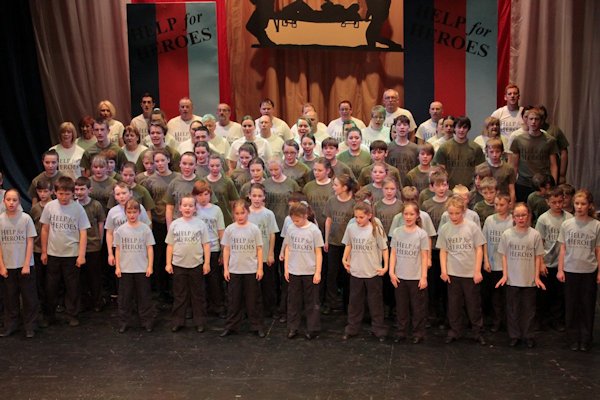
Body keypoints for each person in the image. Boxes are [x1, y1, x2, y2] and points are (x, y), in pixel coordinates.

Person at [40, 176, 90, 327]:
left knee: (72, 286)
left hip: (71, 254)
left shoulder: (78, 209)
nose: (63, 197)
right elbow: (45, 229)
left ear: (73, 193)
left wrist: (81, 255)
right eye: (61, 193)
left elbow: (83, 232)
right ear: (55, 192)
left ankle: (72, 314)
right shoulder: (50, 207)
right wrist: (44, 251)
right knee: (51, 286)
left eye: (67, 194)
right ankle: (49, 315)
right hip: (53, 253)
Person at [437, 196, 487, 345]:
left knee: (473, 305)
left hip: (470, 273)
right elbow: (443, 251)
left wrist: (477, 271)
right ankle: (455, 331)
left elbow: (479, 248)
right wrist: (444, 271)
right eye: (451, 213)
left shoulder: (472, 227)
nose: (454, 216)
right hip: (453, 273)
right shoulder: (445, 228)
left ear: (463, 212)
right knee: (454, 305)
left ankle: (477, 332)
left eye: (457, 213)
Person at [496, 203, 546, 348]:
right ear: (513, 217)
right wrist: (505, 275)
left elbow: (538, 257)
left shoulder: (535, 234)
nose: (521, 218)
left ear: (528, 216)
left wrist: (536, 277)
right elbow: (504, 256)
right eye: (517, 216)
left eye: (523, 215)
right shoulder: (507, 234)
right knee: (513, 309)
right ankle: (514, 335)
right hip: (512, 279)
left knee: (529, 310)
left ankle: (528, 335)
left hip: (529, 279)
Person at [557, 189, 600, 352]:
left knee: (587, 306)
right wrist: (560, 270)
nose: (580, 207)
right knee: (571, 306)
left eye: (583, 204)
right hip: (570, 270)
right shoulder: (567, 224)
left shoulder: (596, 225)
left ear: (589, 205)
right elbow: (563, 249)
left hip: (588, 271)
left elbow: (598, 250)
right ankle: (573, 338)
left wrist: (599, 272)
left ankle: (586, 339)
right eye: (577, 203)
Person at [341, 201, 389, 341]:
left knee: (375, 302)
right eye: (356, 217)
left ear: (369, 215)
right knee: (354, 302)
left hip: (372, 272)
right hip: (356, 271)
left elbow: (384, 248)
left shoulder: (376, 229)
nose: (358, 220)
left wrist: (385, 266)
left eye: (361, 217)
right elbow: (349, 244)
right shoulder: (351, 228)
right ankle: (352, 328)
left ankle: (378, 329)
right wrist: (344, 258)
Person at [220, 199, 266, 338]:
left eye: (242, 213)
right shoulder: (230, 229)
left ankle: (257, 326)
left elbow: (259, 249)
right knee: (233, 300)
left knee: (253, 300)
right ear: (233, 214)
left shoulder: (254, 229)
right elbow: (226, 249)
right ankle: (231, 326)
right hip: (235, 270)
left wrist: (260, 268)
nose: (240, 216)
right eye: (237, 213)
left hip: (251, 270)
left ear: (248, 212)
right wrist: (226, 268)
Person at [165, 195, 211, 333]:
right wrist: (168, 263)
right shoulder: (175, 224)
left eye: (191, 206)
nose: (187, 208)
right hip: (179, 265)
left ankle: (200, 322)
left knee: (198, 295)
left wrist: (207, 263)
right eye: (184, 205)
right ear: (179, 208)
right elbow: (170, 245)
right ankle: (178, 321)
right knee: (180, 295)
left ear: (195, 208)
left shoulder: (200, 224)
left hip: (196, 265)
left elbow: (206, 244)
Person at [141, 148, 180, 304]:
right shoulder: (149, 181)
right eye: (156, 161)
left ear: (168, 160)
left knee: (175, 257)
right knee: (159, 258)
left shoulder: (177, 178)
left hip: (175, 223)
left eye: (162, 160)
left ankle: (174, 289)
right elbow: (147, 205)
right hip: (157, 222)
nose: (160, 164)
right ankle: (160, 291)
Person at [389, 201, 429, 343]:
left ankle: (418, 333)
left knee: (417, 308)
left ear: (417, 215)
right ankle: (402, 332)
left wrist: (423, 277)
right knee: (401, 307)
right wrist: (391, 272)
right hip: (400, 276)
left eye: (411, 214)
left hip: (415, 277)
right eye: (406, 214)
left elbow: (424, 257)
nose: (408, 217)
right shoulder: (397, 232)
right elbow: (393, 253)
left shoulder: (421, 234)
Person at [0, 189, 38, 338]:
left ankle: (30, 326)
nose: (11, 203)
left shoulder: (26, 219)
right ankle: (11, 325)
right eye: (8, 200)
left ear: (19, 202)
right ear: (4, 201)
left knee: (29, 297)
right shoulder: (1, 219)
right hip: (8, 266)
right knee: (10, 298)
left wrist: (26, 264)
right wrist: (2, 265)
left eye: (14, 200)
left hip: (25, 265)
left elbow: (30, 242)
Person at [113, 199, 155, 333]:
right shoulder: (120, 230)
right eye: (129, 212)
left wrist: (150, 266)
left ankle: (146, 321)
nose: (132, 215)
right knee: (124, 298)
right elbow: (118, 249)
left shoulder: (145, 229)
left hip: (142, 268)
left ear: (139, 212)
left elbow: (150, 248)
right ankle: (123, 322)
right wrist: (118, 267)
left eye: (134, 212)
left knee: (144, 297)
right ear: (125, 213)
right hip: (125, 269)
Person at [283, 201, 324, 339]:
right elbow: (288, 248)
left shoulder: (314, 231)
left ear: (305, 216)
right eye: (293, 220)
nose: (295, 223)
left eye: (298, 220)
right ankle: (293, 327)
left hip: (309, 271)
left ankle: (313, 328)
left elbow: (318, 252)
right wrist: (286, 268)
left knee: (312, 301)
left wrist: (318, 272)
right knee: (293, 301)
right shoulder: (291, 228)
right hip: (294, 270)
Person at [535, 188, 573, 331]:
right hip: (547, 262)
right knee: (544, 294)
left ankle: (557, 320)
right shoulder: (543, 219)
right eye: (554, 202)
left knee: (559, 294)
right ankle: (543, 320)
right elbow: (539, 242)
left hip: (562, 263)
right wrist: (541, 263)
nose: (557, 205)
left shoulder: (569, 218)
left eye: (560, 201)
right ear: (548, 202)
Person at [323, 174, 357, 314]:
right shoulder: (331, 201)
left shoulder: (354, 203)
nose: (333, 187)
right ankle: (331, 303)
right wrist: (326, 240)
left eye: (336, 185)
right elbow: (328, 221)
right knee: (331, 274)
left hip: (348, 245)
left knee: (347, 275)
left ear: (345, 187)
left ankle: (347, 304)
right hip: (334, 242)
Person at [509, 107, 558, 202]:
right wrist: (512, 187)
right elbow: (514, 165)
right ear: (526, 120)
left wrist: (553, 186)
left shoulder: (550, 140)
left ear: (541, 121)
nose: (533, 122)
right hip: (523, 183)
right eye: (531, 119)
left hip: (543, 184)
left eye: (536, 119)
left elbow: (553, 165)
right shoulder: (518, 139)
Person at [482, 192, 513, 333]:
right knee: (495, 296)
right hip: (493, 264)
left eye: (502, 205)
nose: (498, 207)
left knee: (507, 296)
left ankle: (508, 322)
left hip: (509, 265)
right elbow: (484, 241)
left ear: (509, 205)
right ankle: (496, 321)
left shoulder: (512, 220)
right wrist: (486, 260)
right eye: (496, 205)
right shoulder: (489, 220)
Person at [74, 177, 106, 313]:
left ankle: (97, 302)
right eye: (76, 189)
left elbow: (101, 223)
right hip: (76, 247)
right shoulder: (73, 205)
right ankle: (83, 302)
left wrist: (100, 241)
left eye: (82, 189)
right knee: (80, 278)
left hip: (93, 246)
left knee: (94, 276)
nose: (79, 192)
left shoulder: (96, 205)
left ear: (89, 190)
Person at [247, 183, 279, 319]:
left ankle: (269, 308)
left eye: (259, 196)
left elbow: (272, 234)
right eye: (254, 195)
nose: (257, 199)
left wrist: (271, 253)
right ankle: (253, 309)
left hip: (265, 255)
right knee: (252, 286)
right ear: (249, 196)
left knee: (268, 284)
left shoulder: (268, 214)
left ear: (264, 197)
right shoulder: (245, 212)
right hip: (249, 256)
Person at [433, 116, 485, 189]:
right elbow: (440, 171)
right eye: (459, 127)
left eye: (464, 127)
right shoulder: (444, 148)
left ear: (468, 129)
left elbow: (480, 171)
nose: (461, 130)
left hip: (470, 190)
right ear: (454, 128)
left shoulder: (476, 148)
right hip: (448, 190)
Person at [28, 178, 53, 324]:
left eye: (45, 191)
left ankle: (53, 305)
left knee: (52, 280)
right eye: (40, 191)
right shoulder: (35, 209)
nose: (43, 194)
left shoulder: (55, 206)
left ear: (51, 192)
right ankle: (42, 306)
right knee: (40, 280)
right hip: (37, 248)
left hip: (53, 248)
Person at [477, 138, 516, 206]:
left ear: (502, 152)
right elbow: (478, 188)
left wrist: (512, 204)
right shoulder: (480, 168)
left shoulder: (508, 169)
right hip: (486, 203)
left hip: (502, 203)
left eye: (497, 152)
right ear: (487, 152)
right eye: (491, 152)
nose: (494, 155)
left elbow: (511, 189)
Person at [164, 152, 200, 228]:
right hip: (178, 225)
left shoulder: (201, 183)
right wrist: (169, 228)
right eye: (184, 163)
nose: (187, 167)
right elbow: (169, 208)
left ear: (196, 165)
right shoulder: (174, 183)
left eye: (191, 164)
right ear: (180, 164)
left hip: (196, 225)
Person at [539, 105, 569, 184]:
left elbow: (564, 152)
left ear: (546, 116)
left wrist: (562, 174)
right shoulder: (529, 131)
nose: (541, 118)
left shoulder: (554, 130)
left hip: (552, 170)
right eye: (539, 116)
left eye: (543, 116)